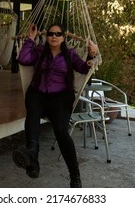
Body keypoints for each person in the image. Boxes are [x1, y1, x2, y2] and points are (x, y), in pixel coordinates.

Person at [13, 23, 98, 188]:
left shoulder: (70, 54)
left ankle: (75, 176)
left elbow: (83, 69)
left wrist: (91, 55)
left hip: (60, 97)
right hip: (38, 93)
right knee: (33, 112)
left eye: (58, 34)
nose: (53, 36)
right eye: (51, 33)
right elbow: (23, 59)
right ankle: (32, 157)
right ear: (47, 36)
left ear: (63, 37)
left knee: (60, 130)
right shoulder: (39, 51)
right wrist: (30, 39)